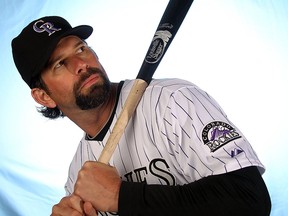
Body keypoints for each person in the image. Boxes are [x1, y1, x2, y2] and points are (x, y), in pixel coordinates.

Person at [12, 16, 271, 216]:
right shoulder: (78, 173)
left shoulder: (173, 100)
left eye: (81, 49)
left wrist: (123, 197)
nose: (81, 64)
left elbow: (251, 200)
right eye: (59, 64)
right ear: (43, 96)